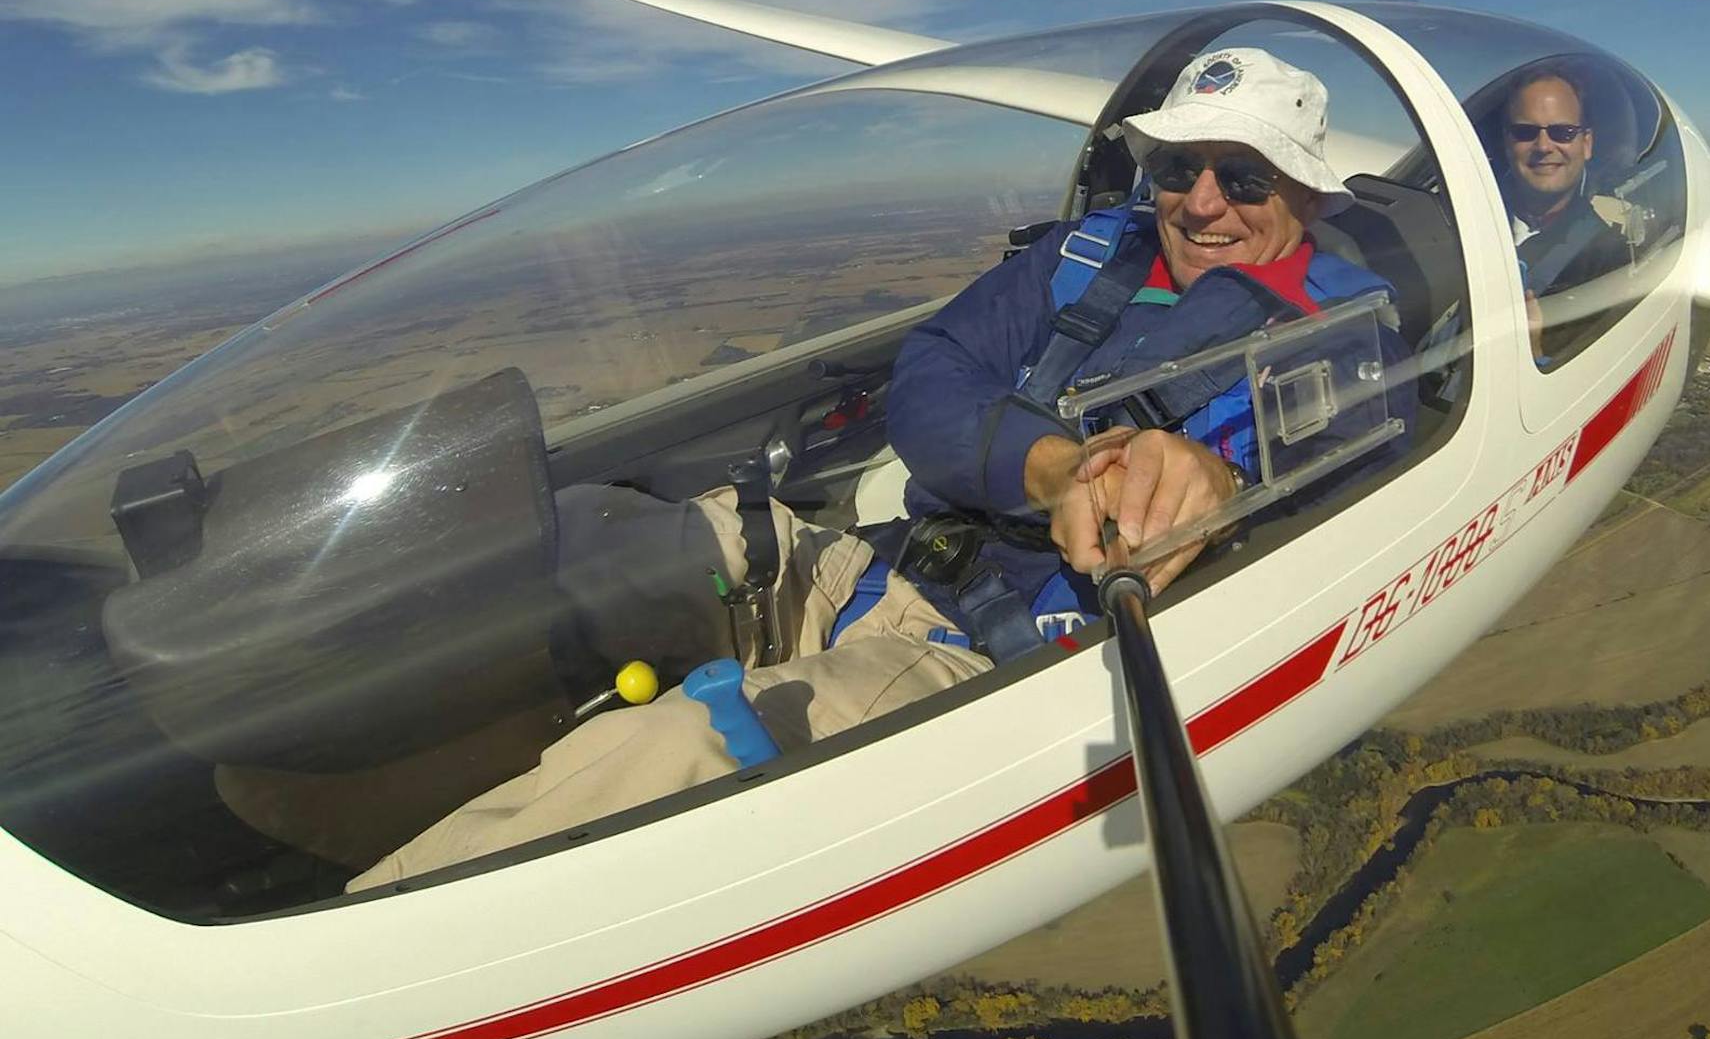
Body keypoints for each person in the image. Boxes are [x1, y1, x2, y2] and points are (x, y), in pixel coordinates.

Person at [349, 47, 1409, 888]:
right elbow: (932, 375)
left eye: (1245, 173)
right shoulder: (1092, 254)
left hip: (977, 659)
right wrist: (1048, 467)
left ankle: (319, 973)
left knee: (665, 753)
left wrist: (1225, 493)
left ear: (1306, 193)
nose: (1203, 201)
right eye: (1179, 167)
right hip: (866, 564)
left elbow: (1353, 503)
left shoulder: (1340, 337)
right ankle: (310, 760)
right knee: (574, 532)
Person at [1495, 66, 1631, 366]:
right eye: (1525, 132)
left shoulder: (1606, 261)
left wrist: (1532, 356)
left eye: (1563, 132)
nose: (1543, 146)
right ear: (1507, 142)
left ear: (1586, 144)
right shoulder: (1464, 219)